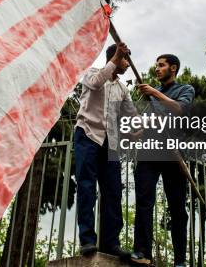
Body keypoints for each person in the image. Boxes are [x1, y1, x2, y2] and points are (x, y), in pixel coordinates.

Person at [74, 42, 138, 260]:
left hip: (110, 142)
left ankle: (111, 244)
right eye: (126, 59)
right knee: (86, 186)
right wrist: (115, 57)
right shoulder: (92, 73)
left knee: (113, 192)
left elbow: (132, 117)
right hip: (87, 135)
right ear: (116, 57)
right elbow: (95, 83)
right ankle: (87, 240)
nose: (128, 65)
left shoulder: (122, 89)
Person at [131, 54, 195, 267]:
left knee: (177, 208)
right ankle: (142, 252)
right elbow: (150, 124)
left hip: (174, 153)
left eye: (161, 65)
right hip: (149, 151)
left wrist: (155, 93)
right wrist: (136, 132)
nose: (157, 69)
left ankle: (179, 261)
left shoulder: (185, 90)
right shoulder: (150, 100)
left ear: (173, 68)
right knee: (144, 200)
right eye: (156, 65)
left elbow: (180, 110)